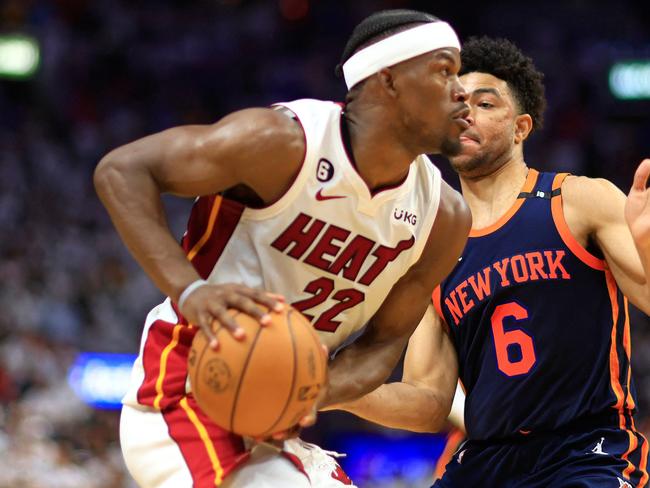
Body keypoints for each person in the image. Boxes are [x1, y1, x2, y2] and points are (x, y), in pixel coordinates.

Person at [93, 9, 472, 488]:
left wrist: (310, 389)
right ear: (388, 80)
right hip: (185, 395)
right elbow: (122, 171)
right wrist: (190, 292)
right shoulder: (284, 143)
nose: (463, 91)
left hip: (276, 428)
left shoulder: (444, 218)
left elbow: (384, 344)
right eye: (445, 70)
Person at [332, 36, 650, 487]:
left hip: (585, 450)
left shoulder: (576, 199)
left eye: (484, 103)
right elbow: (427, 402)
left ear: (521, 127)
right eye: (457, 103)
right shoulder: (431, 252)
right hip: (487, 461)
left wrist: (645, 240)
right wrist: (325, 389)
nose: (466, 112)